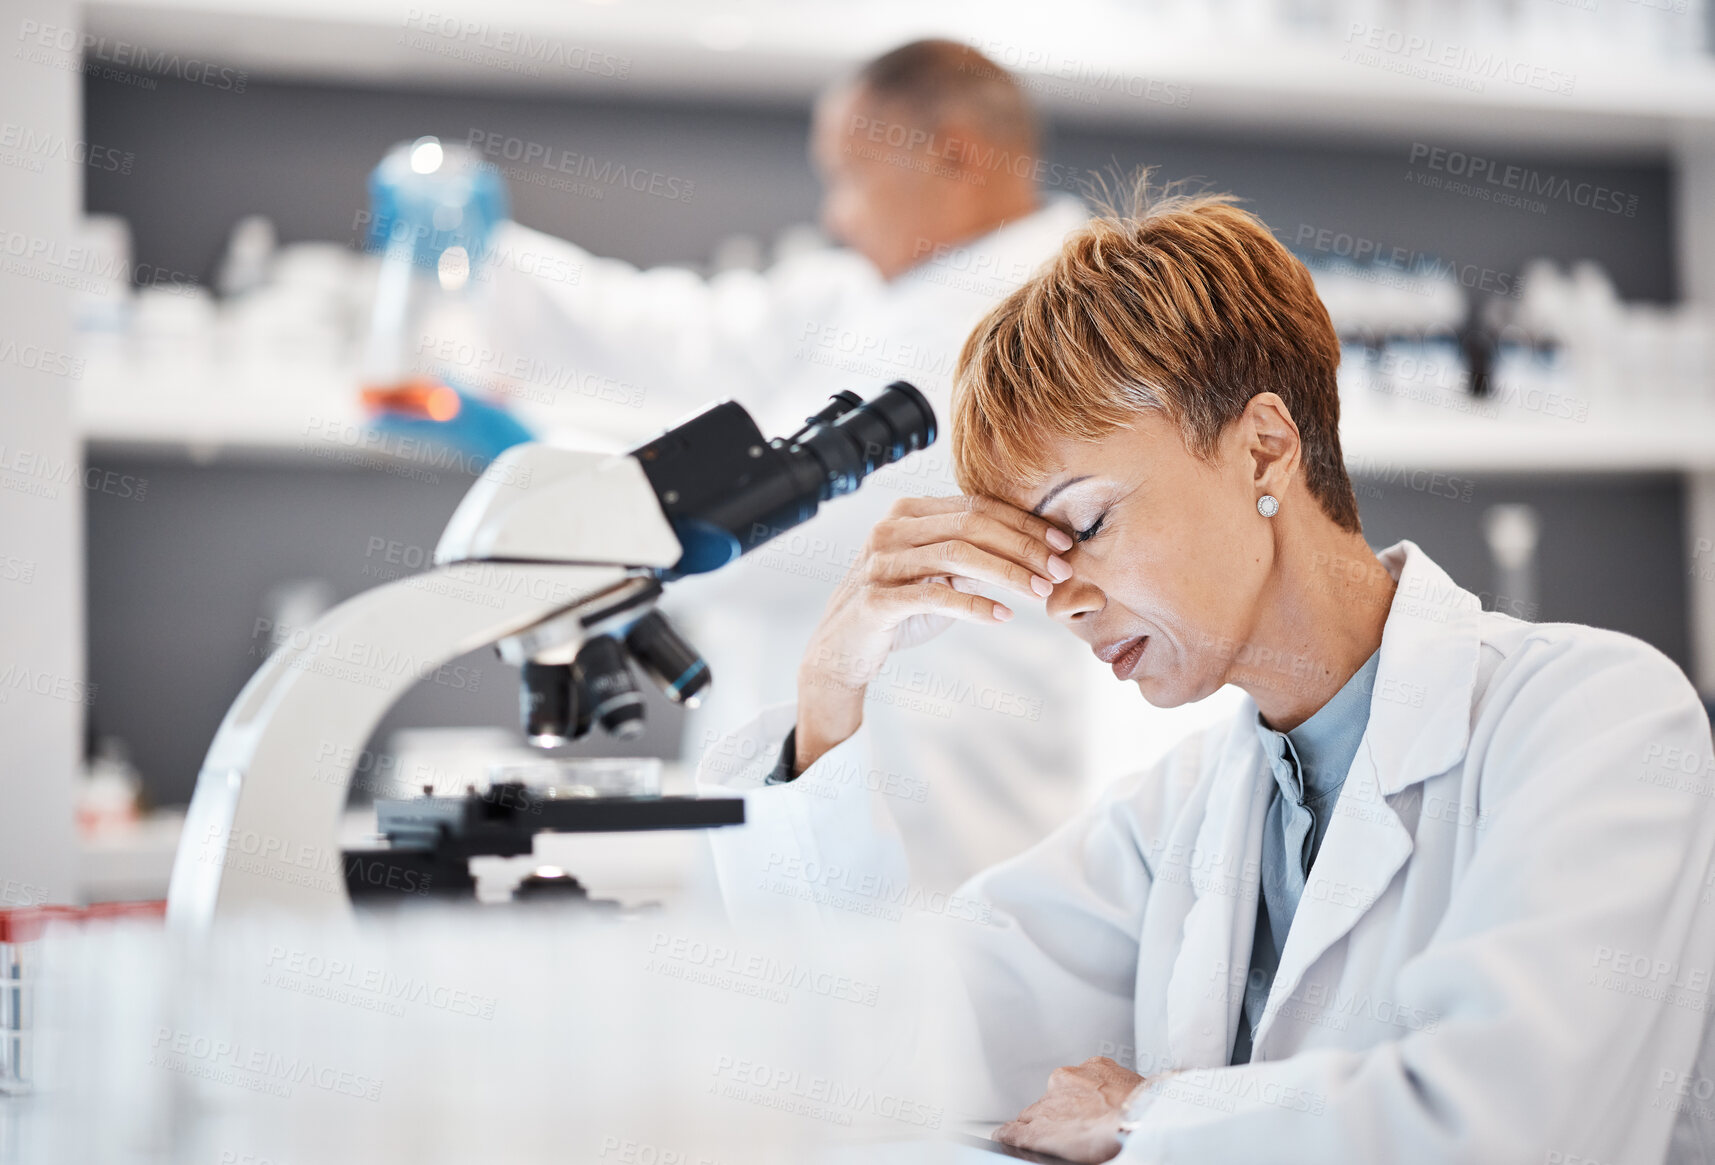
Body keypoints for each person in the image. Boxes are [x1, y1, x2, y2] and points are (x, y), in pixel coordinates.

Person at [696, 187, 1715, 1162]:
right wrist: (830, 694)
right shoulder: (1180, 817)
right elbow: (884, 1047)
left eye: (1085, 524)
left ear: (1264, 450)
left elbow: (1503, 1125)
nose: (1063, 600)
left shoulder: (1597, 721)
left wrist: (1149, 1118)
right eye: (1038, 555)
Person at [478, 41, 1104, 890]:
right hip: (822, 797)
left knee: (916, 996)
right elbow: (685, 332)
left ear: (954, 154)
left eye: (851, 174)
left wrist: (535, 465)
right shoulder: (873, 291)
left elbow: (761, 540)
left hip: (936, 802)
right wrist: (490, 255)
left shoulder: (1021, 324)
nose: (837, 216)